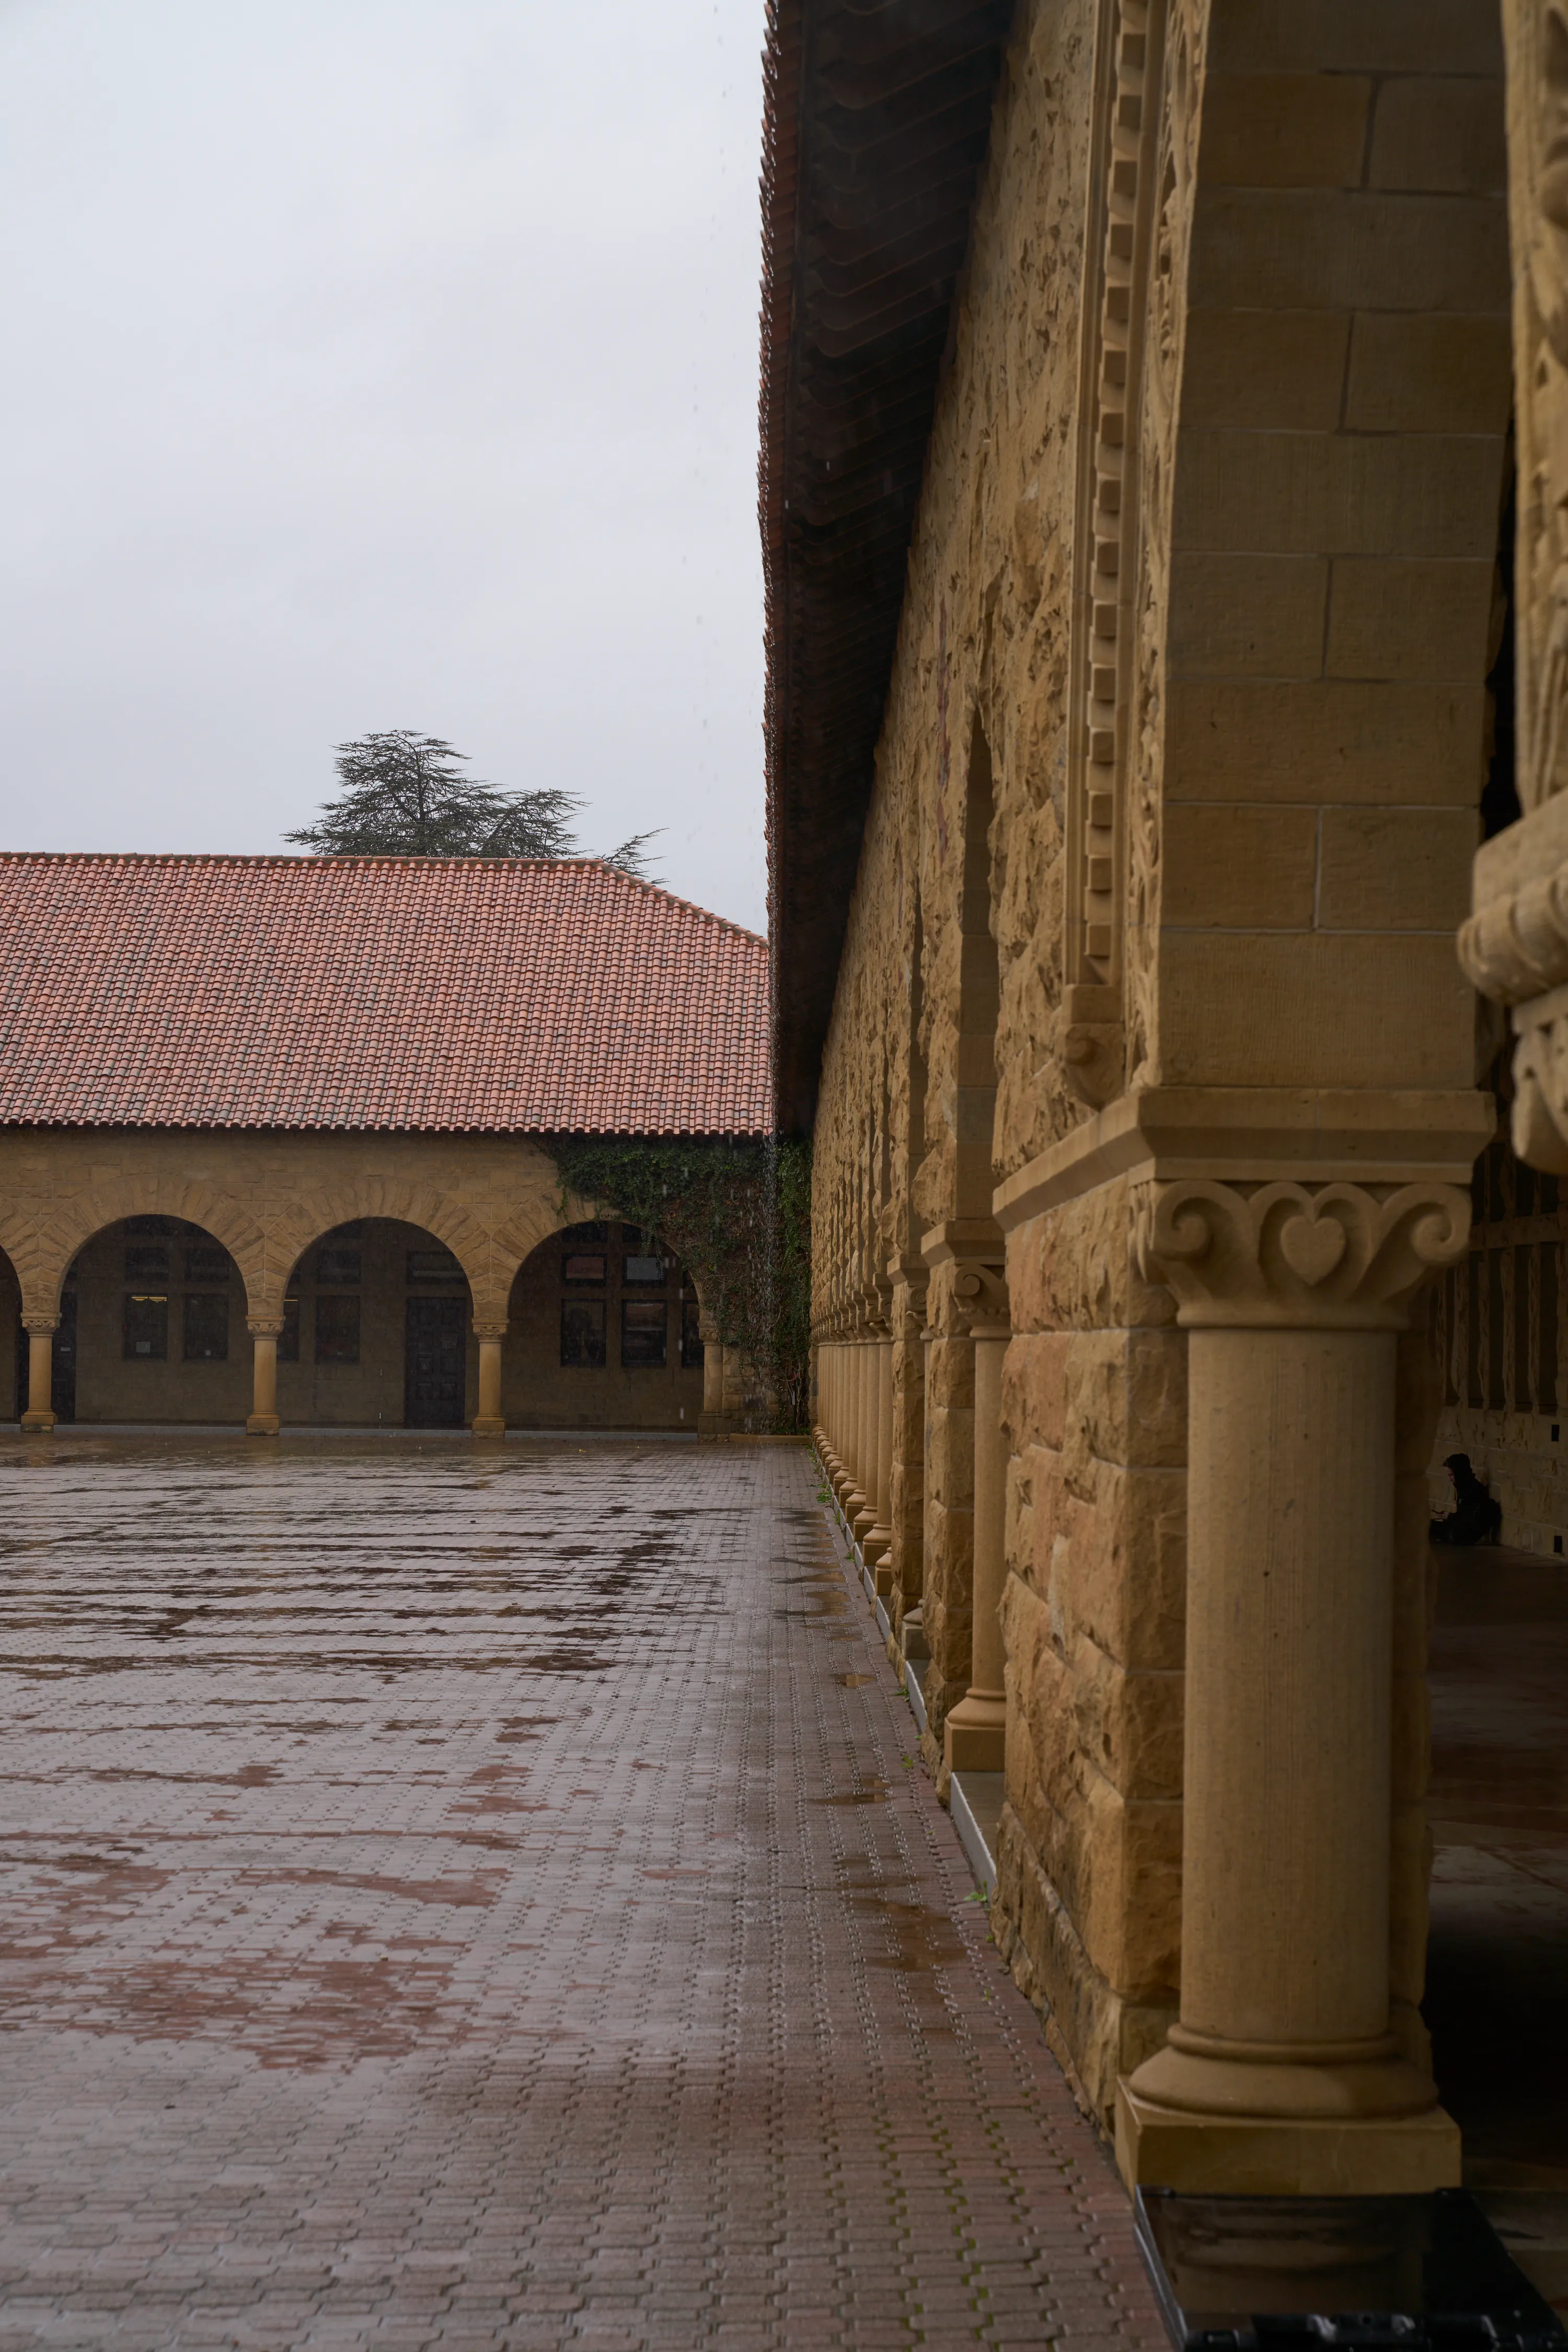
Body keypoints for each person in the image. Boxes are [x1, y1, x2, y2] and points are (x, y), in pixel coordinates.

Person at [1429, 1452, 1503, 1547]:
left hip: (1464, 1534)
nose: (1450, 1479)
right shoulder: (1464, 1488)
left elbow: (1469, 1520)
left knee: (1429, 1527)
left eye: (1451, 1475)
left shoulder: (1473, 1490)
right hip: (1461, 1530)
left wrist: (1450, 1517)